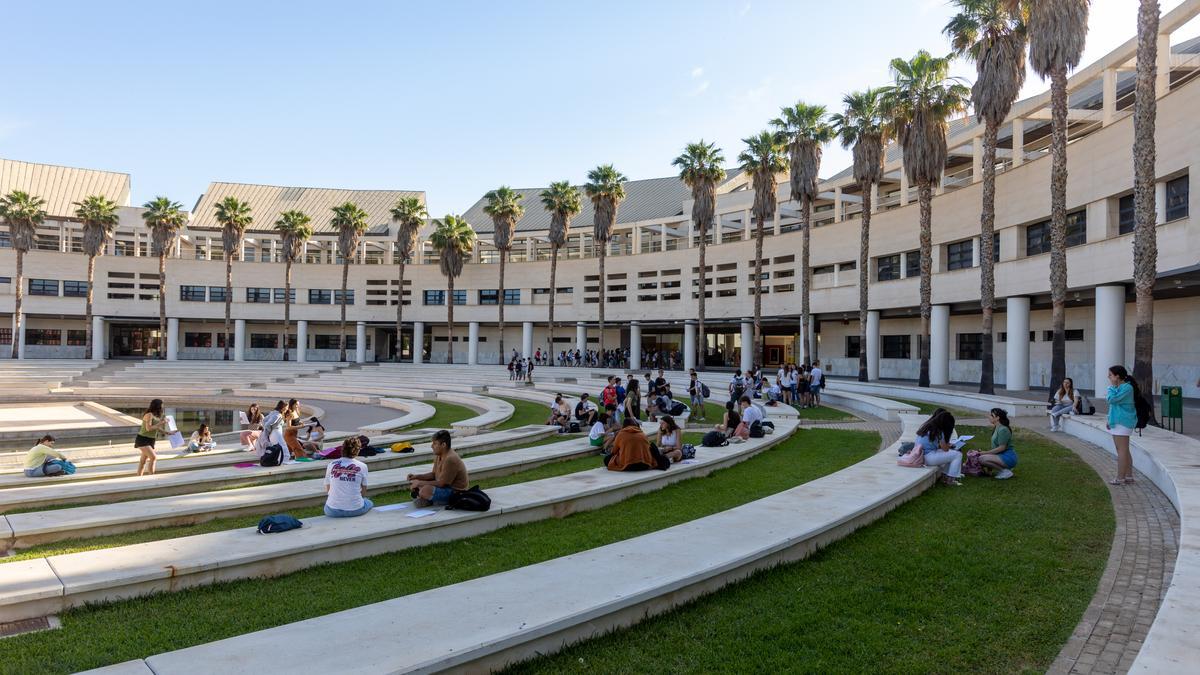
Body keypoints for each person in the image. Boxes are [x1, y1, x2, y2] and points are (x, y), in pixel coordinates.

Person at [408, 430, 469, 506]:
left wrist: (420, 483)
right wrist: (417, 477)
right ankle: (426, 497)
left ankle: (428, 499)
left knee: (425, 490)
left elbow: (442, 483)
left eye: (435, 443)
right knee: (415, 482)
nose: (432, 446)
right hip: (444, 487)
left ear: (443, 444)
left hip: (456, 492)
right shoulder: (439, 455)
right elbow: (433, 474)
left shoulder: (450, 458)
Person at [1106, 365, 1140, 486]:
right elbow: (1112, 406)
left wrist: (1110, 388)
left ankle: (1120, 478)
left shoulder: (1127, 388)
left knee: (1122, 450)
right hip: (1116, 421)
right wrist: (1109, 420)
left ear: (1117, 376)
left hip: (1123, 422)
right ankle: (1129, 476)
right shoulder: (1118, 387)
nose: (1108, 377)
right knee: (1123, 450)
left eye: (1110, 375)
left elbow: (1112, 400)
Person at [323, 436, 373, 517]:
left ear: (342, 448)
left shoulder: (331, 464)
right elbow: (363, 491)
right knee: (369, 502)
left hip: (332, 511)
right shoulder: (363, 466)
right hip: (356, 510)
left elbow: (328, 488)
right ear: (358, 450)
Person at [915, 410, 962, 486]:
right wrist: (950, 445)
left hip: (921, 455)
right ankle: (950, 480)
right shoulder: (939, 431)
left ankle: (945, 477)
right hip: (928, 457)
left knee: (951, 454)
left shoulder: (927, 427)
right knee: (957, 454)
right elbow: (945, 449)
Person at [976, 408, 1017, 480]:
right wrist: (989, 470)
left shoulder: (1003, 429)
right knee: (979, 457)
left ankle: (1005, 471)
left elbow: (1002, 448)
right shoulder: (997, 427)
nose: (989, 417)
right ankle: (1003, 470)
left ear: (997, 418)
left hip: (1008, 457)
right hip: (1001, 455)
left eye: (992, 415)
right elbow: (994, 449)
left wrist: (985, 453)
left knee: (981, 458)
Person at [134, 398, 168, 476]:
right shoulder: (149, 415)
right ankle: (151, 478)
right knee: (153, 457)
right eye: (162, 405)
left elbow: (156, 427)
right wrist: (162, 422)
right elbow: (148, 428)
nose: (163, 406)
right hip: (143, 439)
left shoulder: (156, 415)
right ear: (157, 406)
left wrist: (168, 432)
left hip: (151, 440)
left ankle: (139, 478)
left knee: (143, 461)